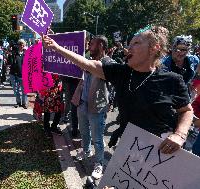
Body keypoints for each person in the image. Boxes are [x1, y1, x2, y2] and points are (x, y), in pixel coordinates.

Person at [42, 25, 193, 156]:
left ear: (154, 48)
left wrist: (179, 135)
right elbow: (88, 64)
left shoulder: (172, 79)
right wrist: (57, 47)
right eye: (129, 43)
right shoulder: (122, 73)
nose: (129, 47)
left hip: (164, 150)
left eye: (136, 43)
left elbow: (186, 110)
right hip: (131, 147)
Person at [71, 35, 110, 179]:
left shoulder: (108, 63)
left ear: (100, 46)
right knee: (84, 132)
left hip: (96, 107)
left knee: (98, 138)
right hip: (82, 103)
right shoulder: (88, 60)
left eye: (91, 44)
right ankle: (86, 151)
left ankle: (99, 163)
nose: (89, 46)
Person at [9, 39, 28, 109]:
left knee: (24, 90)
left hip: (23, 74)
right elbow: (10, 63)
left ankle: (24, 103)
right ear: (18, 45)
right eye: (20, 45)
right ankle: (18, 102)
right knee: (15, 89)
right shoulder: (14, 54)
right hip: (14, 74)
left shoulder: (26, 54)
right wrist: (10, 55)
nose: (21, 46)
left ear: (24, 46)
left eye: (23, 45)